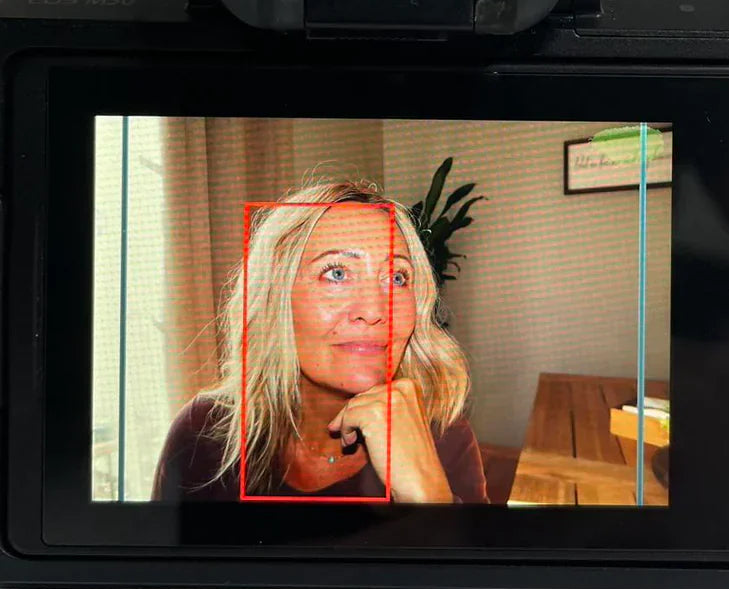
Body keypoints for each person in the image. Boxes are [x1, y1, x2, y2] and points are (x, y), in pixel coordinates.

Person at [152, 182, 488, 503]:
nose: (374, 311)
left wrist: (430, 498)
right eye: (337, 274)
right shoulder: (203, 432)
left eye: (397, 277)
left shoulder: (444, 440)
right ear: (274, 299)